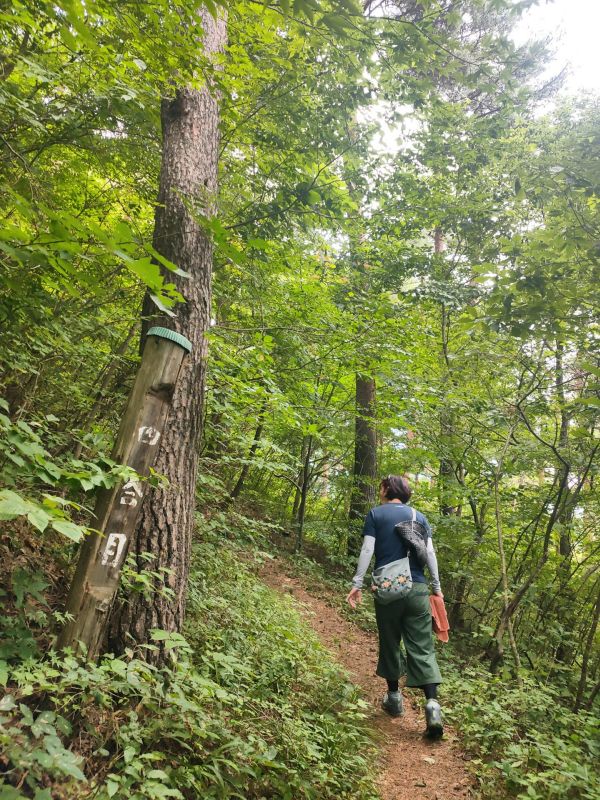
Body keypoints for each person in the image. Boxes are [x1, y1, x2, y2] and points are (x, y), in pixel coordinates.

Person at [346, 475, 444, 738]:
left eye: (381, 487)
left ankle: (394, 699)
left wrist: (357, 583)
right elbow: (430, 554)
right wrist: (437, 589)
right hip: (418, 589)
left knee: (390, 640)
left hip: (388, 588)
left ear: (388, 489)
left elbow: (368, 550)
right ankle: (433, 706)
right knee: (422, 646)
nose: (379, 491)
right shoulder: (419, 516)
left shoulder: (376, 515)